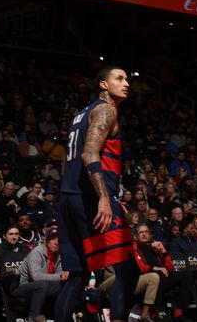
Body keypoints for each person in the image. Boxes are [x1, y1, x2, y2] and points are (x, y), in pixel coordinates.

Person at [54, 66, 138, 322]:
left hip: (68, 196)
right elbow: (89, 154)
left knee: (78, 276)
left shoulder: (81, 114)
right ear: (103, 84)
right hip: (90, 198)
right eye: (119, 78)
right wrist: (104, 197)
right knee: (128, 269)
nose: (126, 83)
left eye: (127, 79)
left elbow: (67, 161)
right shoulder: (106, 109)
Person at [129, 224, 194, 322]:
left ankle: (178, 312)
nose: (144, 234)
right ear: (135, 236)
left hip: (162, 279)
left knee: (186, 275)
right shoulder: (134, 249)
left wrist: (163, 251)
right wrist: (155, 268)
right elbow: (139, 268)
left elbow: (171, 268)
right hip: (146, 280)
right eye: (141, 232)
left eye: (146, 232)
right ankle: (156, 313)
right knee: (156, 276)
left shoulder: (155, 248)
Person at [13, 226, 68, 322]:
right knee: (43, 284)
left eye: (59, 239)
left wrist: (63, 276)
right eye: (53, 239)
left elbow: (60, 274)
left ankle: (60, 316)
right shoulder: (37, 252)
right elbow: (36, 277)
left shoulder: (59, 254)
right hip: (23, 287)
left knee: (64, 286)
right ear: (46, 241)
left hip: (43, 287)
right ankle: (33, 317)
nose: (57, 242)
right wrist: (60, 276)